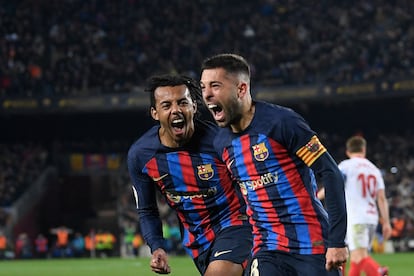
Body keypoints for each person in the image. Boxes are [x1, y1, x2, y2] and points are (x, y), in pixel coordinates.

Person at [200, 53, 348, 276]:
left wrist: (337, 241)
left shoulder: (282, 123)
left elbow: (330, 172)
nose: (207, 94)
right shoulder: (220, 142)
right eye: (203, 87)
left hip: (311, 244)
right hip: (267, 249)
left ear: (241, 89)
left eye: (215, 86)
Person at [127, 74, 252, 275]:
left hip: (237, 223)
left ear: (194, 106)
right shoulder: (141, 155)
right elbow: (147, 209)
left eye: (182, 102)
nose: (176, 110)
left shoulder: (221, 141)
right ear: (155, 113)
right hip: (198, 241)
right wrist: (157, 246)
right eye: (166, 105)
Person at [338, 136, 391, 276]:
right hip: (372, 219)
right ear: (364, 149)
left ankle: (378, 272)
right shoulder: (374, 169)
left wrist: (316, 197)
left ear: (348, 151)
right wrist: (386, 222)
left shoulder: (346, 166)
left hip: (357, 218)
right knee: (356, 259)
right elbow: (382, 198)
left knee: (359, 256)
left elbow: (334, 186)